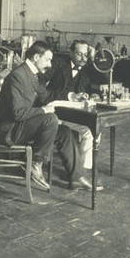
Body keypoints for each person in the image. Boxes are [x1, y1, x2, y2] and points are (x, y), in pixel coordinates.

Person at [0, 41, 94, 190]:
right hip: (10, 130)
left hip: (23, 125)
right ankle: (36, 163)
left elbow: (46, 96)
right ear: (35, 57)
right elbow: (18, 113)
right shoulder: (18, 76)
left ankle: (76, 176)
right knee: (50, 119)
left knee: (65, 132)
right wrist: (44, 110)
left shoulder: (32, 74)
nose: (50, 64)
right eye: (47, 59)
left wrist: (72, 96)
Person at [43, 40, 103, 189]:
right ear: (70, 53)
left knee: (91, 130)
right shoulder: (57, 64)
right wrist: (70, 95)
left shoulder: (87, 68)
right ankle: (78, 173)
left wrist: (93, 95)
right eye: (79, 54)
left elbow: (98, 81)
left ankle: (82, 172)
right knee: (87, 129)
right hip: (54, 110)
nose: (83, 58)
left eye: (85, 55)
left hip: (73, 112)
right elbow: (42, 90)